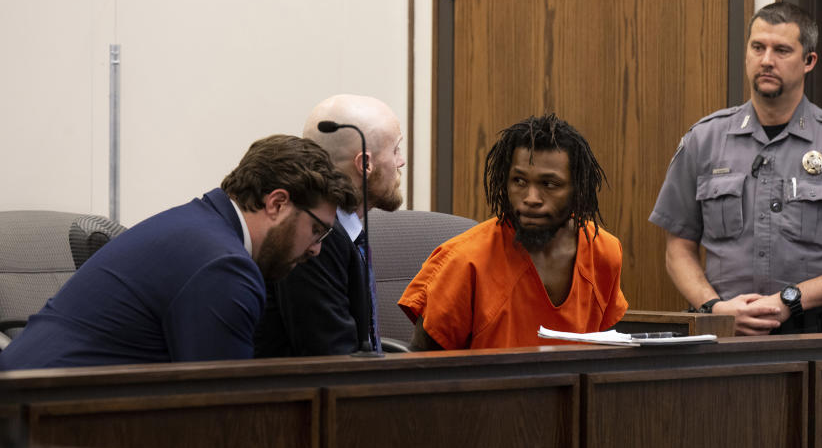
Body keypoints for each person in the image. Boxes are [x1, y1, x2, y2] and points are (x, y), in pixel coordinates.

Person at [0, 135, 358, 369]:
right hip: (51, 428)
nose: (317, 249)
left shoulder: (194, 225)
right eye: (316, 230)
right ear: (277, 203)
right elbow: (224, 414)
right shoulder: (224, 268)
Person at [649, 2, 822, 335]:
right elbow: (678, 248)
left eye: (781, 50)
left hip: (817, 337)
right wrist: (715, 309)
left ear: (809, 61)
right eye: (758, 48)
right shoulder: (703, 140)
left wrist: (791, 300)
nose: (767, 60)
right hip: (725, 337)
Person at [399, 113, 628, 350]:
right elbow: (423, 368)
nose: (530, 199)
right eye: (519, 181)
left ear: (577, 190)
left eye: (549, 184)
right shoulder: (464, 260)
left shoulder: (604, 251)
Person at [255, 95, 406, 356]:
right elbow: (331, 360)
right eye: (395, 150)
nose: (401, 161)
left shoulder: (343, 230)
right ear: (365, 164)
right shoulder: (314, 240)